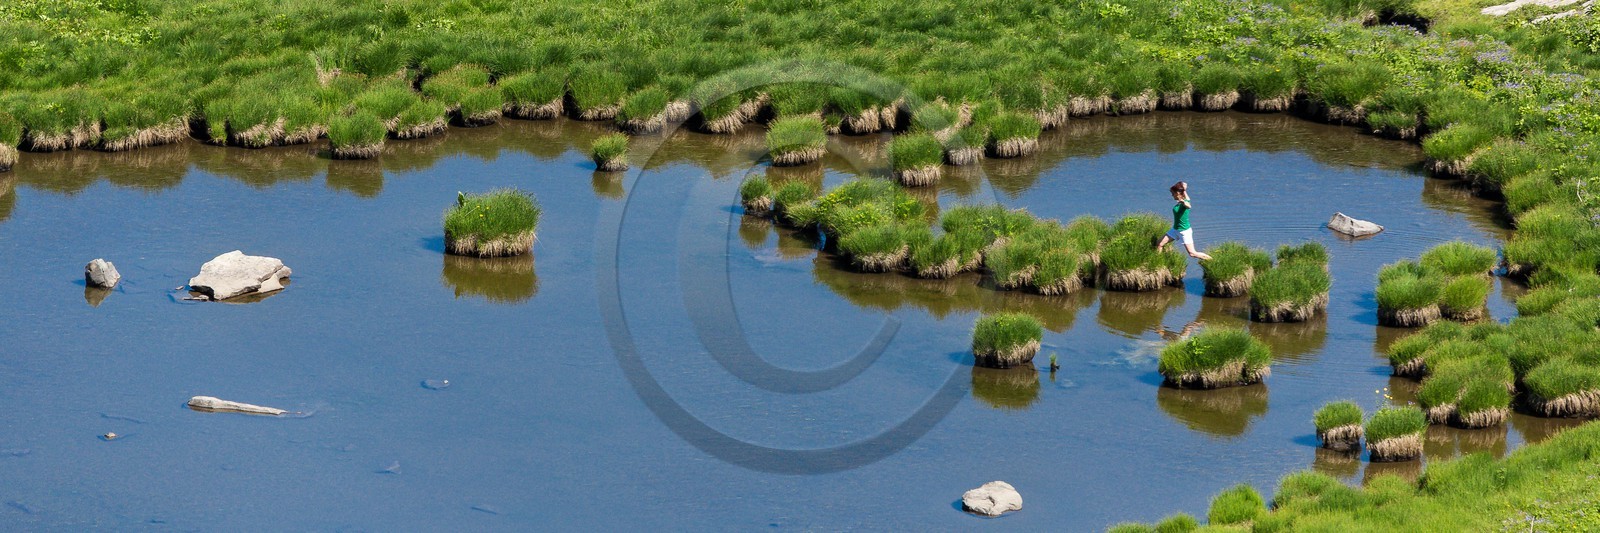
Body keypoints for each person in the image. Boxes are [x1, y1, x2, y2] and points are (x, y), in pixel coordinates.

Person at [1155, 181, 1213, 260]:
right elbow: (1188, 198)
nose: (1172, 195)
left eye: (1173, 193)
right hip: (1175, 230)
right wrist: (1184, 189)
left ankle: (1212, 260)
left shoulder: (1184, 203)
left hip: (1184, 231)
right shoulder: (1185, 199)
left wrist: (1183, 202)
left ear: (1178, 193)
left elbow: (1189, 206)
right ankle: (1158, 261)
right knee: (1159, 244)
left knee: (1192, 253)